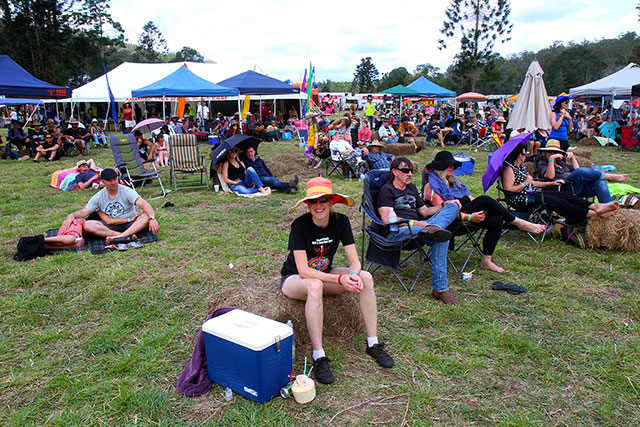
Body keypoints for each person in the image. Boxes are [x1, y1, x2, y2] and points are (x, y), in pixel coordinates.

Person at [281, 177, 395, 384]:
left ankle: (373, 344)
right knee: (314, 285)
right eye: (313, 201)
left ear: (332, 201)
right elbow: (304, 271)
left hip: (326, 272)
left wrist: (352, 275)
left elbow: (354, 261)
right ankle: (319, 355)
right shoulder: (299, 225)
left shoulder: (341, 221)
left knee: (366, 277)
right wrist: (340, 278)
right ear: (307, 204)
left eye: (323, 200)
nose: (318, 205)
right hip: (295, 279)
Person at [423, 151, 546, 273]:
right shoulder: (432, 186)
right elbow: (444, 215)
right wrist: (471, 217)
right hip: (455, 222)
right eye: (449, 165)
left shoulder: (455, 183)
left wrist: (492, 205)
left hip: (470, 215)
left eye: (453, 165)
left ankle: (486, 261)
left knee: (496, 219)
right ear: (440, 168)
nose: (452, 168)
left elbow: (472, 200)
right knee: (485, 199)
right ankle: (520, 223)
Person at [377, 157, 462, 304]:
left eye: (411, 170)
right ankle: (441, 289)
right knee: (440, 236)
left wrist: (444, 205)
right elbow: (387, 220)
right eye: (405, 170)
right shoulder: (387, 190)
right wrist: (419, 224)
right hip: (398, 230)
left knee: (452, 208)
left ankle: (434, 229)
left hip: (422, 227)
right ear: (395, 172)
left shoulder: (412, 188)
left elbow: (425, 211)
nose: (409, 173)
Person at [501, 144, 620, 224]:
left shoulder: (520, 167)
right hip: (522, 200)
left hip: (532, 194)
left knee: (564, 196)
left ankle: (594, 206)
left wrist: (550, 183)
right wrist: (525, 183)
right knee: (556, 201)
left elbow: (534, 183)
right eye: (523, 153)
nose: (526, 155)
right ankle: (592, 213)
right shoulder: (509, 169)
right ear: (518, 155)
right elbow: (509, 189)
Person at [63, 168, 159, 243]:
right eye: (110, 181)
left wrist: (152, 219)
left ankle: (120, 237)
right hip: (110, 227)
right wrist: (71, 215)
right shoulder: (99, 196)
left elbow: (143, 203)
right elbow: (84, 212)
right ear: (103, 182)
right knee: (87, 225)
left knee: (146, 217)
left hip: (131, 223)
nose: (113, 183)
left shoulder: (126, 191)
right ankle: (121, 235)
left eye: (114, 179)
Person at [534, 139, 628, 203]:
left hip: (576, 187)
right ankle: (609, 177)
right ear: (545, 152)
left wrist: (573, 158)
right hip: (561, 189)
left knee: (599, 182)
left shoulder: (561, 163)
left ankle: (608, 208)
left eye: (554, 152)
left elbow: (577, 170)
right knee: (580, 172)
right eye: (549, 151)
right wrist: (551, 159)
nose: (552, 153)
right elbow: (549, 177)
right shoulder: (543, 163)